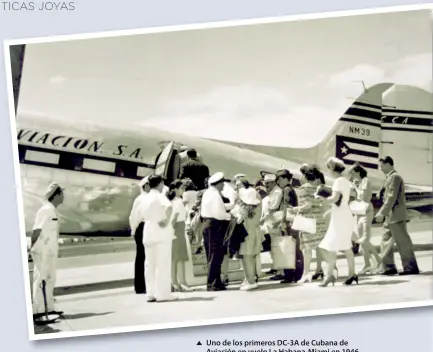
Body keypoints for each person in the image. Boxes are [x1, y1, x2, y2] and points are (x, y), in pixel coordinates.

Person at [374, 156, 420, 276]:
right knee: (385, 241)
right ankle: (388, 267)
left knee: (402, 242)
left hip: (396, 215)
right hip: (390, 216)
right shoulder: (389, 177)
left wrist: (381, 212)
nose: (380, 168)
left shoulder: (395, 177)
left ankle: (410, 267)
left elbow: (391, 197)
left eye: (382, 165)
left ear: (389, 164)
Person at [317, 157, 357, 287]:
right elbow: (344, 200)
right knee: (345, 246)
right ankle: (351, 274)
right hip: (344, 214)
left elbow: (335, 198)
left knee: (328, 246)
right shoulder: (345, 181)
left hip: (339, 217)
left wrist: (321, 199)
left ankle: (330, 276)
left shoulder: (337, 182)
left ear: (332, 169)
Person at [30, 182, 65, 320]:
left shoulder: (52, 210)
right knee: (41, 280)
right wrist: (32, 248)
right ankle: (38, 311)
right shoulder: (46, 210)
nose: (63, 196)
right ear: (55, 195)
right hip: (42, 251)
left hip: (49, 251)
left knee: (50, 279)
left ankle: (49, 308)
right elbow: (36, 230)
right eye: (61, 193)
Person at [140, 175, 178, 302]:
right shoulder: (159, 195)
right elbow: (169, 206)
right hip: (160, 231)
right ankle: (163, 294)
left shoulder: (144, 197)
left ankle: (150, 293)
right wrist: (166, 220)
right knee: (162, 263)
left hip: (148, 230)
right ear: (160, 183)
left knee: (149, 264)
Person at [289, 165, 328, 283]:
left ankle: (306, 273)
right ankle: (330, 270)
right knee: (321, 247)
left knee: (307, 249)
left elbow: (307, 206)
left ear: (305, 176)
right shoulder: (319, 187)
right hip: (320, 220)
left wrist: (295, 209)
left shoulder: (303, 189)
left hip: (308, 221)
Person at [348, 163, 381, 275]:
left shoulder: (365, 181)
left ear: (358, 172)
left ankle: (374, 262)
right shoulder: (359, 182)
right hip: (359, 210)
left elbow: (365, 197)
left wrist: (356, 187)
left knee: (364, 239)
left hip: (365, 209)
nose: (351, 175)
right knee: (360, 238)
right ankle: (371, 263)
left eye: (352, 173)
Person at [201, 172, 232, 291]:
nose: (224, 185)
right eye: (222, 183)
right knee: (215, 256)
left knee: (213, 255)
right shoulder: (215, 195)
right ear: (218, 183)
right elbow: (219, 213)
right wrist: (230, 216)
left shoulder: (208, 193)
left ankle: (216, 281)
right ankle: (212, 283)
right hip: (215, 225)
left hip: (208, 224)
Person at [231, 187, 263, 291]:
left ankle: (251, 281)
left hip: (247, 234)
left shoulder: (246, 209)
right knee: (249, 258)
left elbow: (239, 220)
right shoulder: (255, 207)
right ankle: (249, 279)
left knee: (247, 258)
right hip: (252, 233)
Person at [275, 169, 303, 284]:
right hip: (293, 223)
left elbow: (287, 207)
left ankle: (291, 275)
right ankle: (295, 275)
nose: (278, 182)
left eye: (278, 179)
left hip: (288, 223)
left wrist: (282, 222)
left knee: (289, 250)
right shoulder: (290, 189)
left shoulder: (286, 189)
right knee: (294, 250)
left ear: (284, 178)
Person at [167, 180, 193, 292]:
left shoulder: (172, 201)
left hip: (176, 229)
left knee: (174, 259)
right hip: (178, 229)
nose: (183, 190)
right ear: (175, 189)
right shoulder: (177, 202)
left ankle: (174, 282)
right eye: (181, 188)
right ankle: (182, 283)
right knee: (180, 258)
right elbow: (174, 218)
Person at [129, 176, 151, 294]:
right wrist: (133, 230)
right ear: (146, 186)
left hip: (143, 227)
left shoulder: (144, 198)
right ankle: (141, 286)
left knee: (143, 257)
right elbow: (135, 217)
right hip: (142, 227)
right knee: (142, 257)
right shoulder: (141, 199)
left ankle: (143, 286)